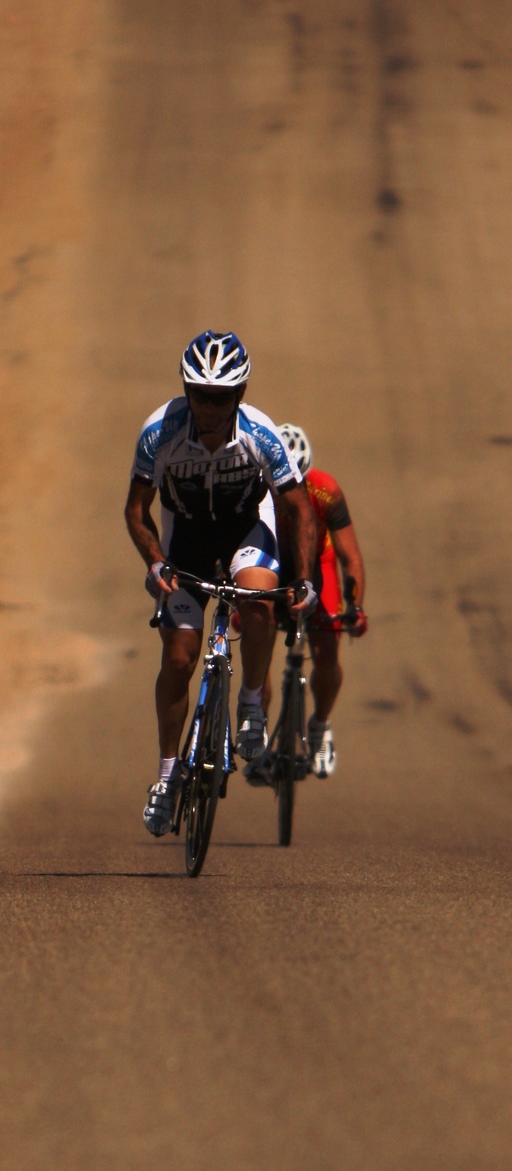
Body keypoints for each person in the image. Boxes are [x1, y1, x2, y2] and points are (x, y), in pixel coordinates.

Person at [124, 330, 317, 836]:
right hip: (184, 542)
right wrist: (155, 562)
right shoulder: (158, 433)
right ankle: (167, 777)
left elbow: (297, 507)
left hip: (244, 531)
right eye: (198, 394)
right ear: (185, 390)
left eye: (220, 397)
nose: (208, 408)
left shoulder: (262, 434)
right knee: (179, 658)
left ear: (241, 394)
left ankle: (251, 700)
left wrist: (301, 580)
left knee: (257, 603)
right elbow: (136, 510)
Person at [271, 422, 367, 779]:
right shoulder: (254, 485)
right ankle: (256, 719)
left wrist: (354, 607)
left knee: (328, 648)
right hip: (274, 560)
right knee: (256, 632)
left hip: (318, 563)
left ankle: (320, 724)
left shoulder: (326, 491)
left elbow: (350, 558)